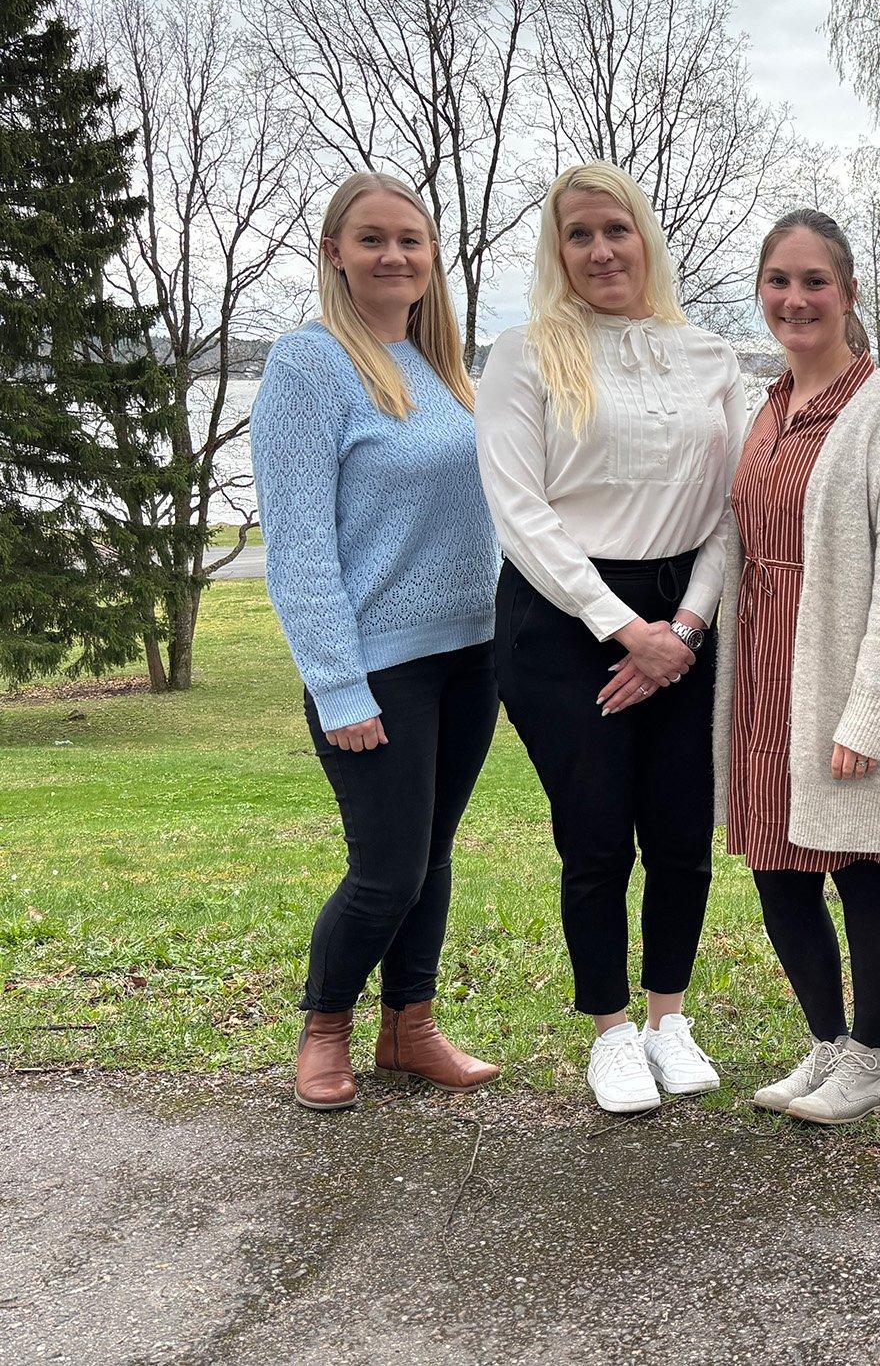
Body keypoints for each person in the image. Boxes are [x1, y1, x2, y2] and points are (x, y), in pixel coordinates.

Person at [475, 162, 746, 1115]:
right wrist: (623, 628)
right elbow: (518, 510)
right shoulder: (523, 353)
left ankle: (669, 1015)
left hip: (686, 612)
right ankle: (611, 1030)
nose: (600, 251)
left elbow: (730, 510)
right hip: (562, 619)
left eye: (616, 230)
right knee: (596, 839)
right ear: (557, 251)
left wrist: (684, 626)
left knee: (680, 834)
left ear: (646, 239)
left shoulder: (710, 356)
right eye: (579, 235)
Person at [252, 172, 502, 1112]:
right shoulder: (307, 366)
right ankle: (326, 1028)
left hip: (469, 660)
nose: (394, 255)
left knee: (432, 855)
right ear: (334, 254)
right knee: (386, 868)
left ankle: (411, 1027)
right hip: (377, 668)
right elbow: (300, 543)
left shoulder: (445, 371)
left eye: (411, 240)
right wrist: (338, 686)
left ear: (433, 258)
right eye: (372, 239)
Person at [715, 209, 880, 1126]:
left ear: (849, 295)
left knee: (858, 869)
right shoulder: (762, 407)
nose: (796, 299)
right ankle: (824, 1044)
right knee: (779, 872)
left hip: (840, 674)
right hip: (764, 672)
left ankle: (871, 1057)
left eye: (816, 282)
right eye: (780, 281)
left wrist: (869, 713)